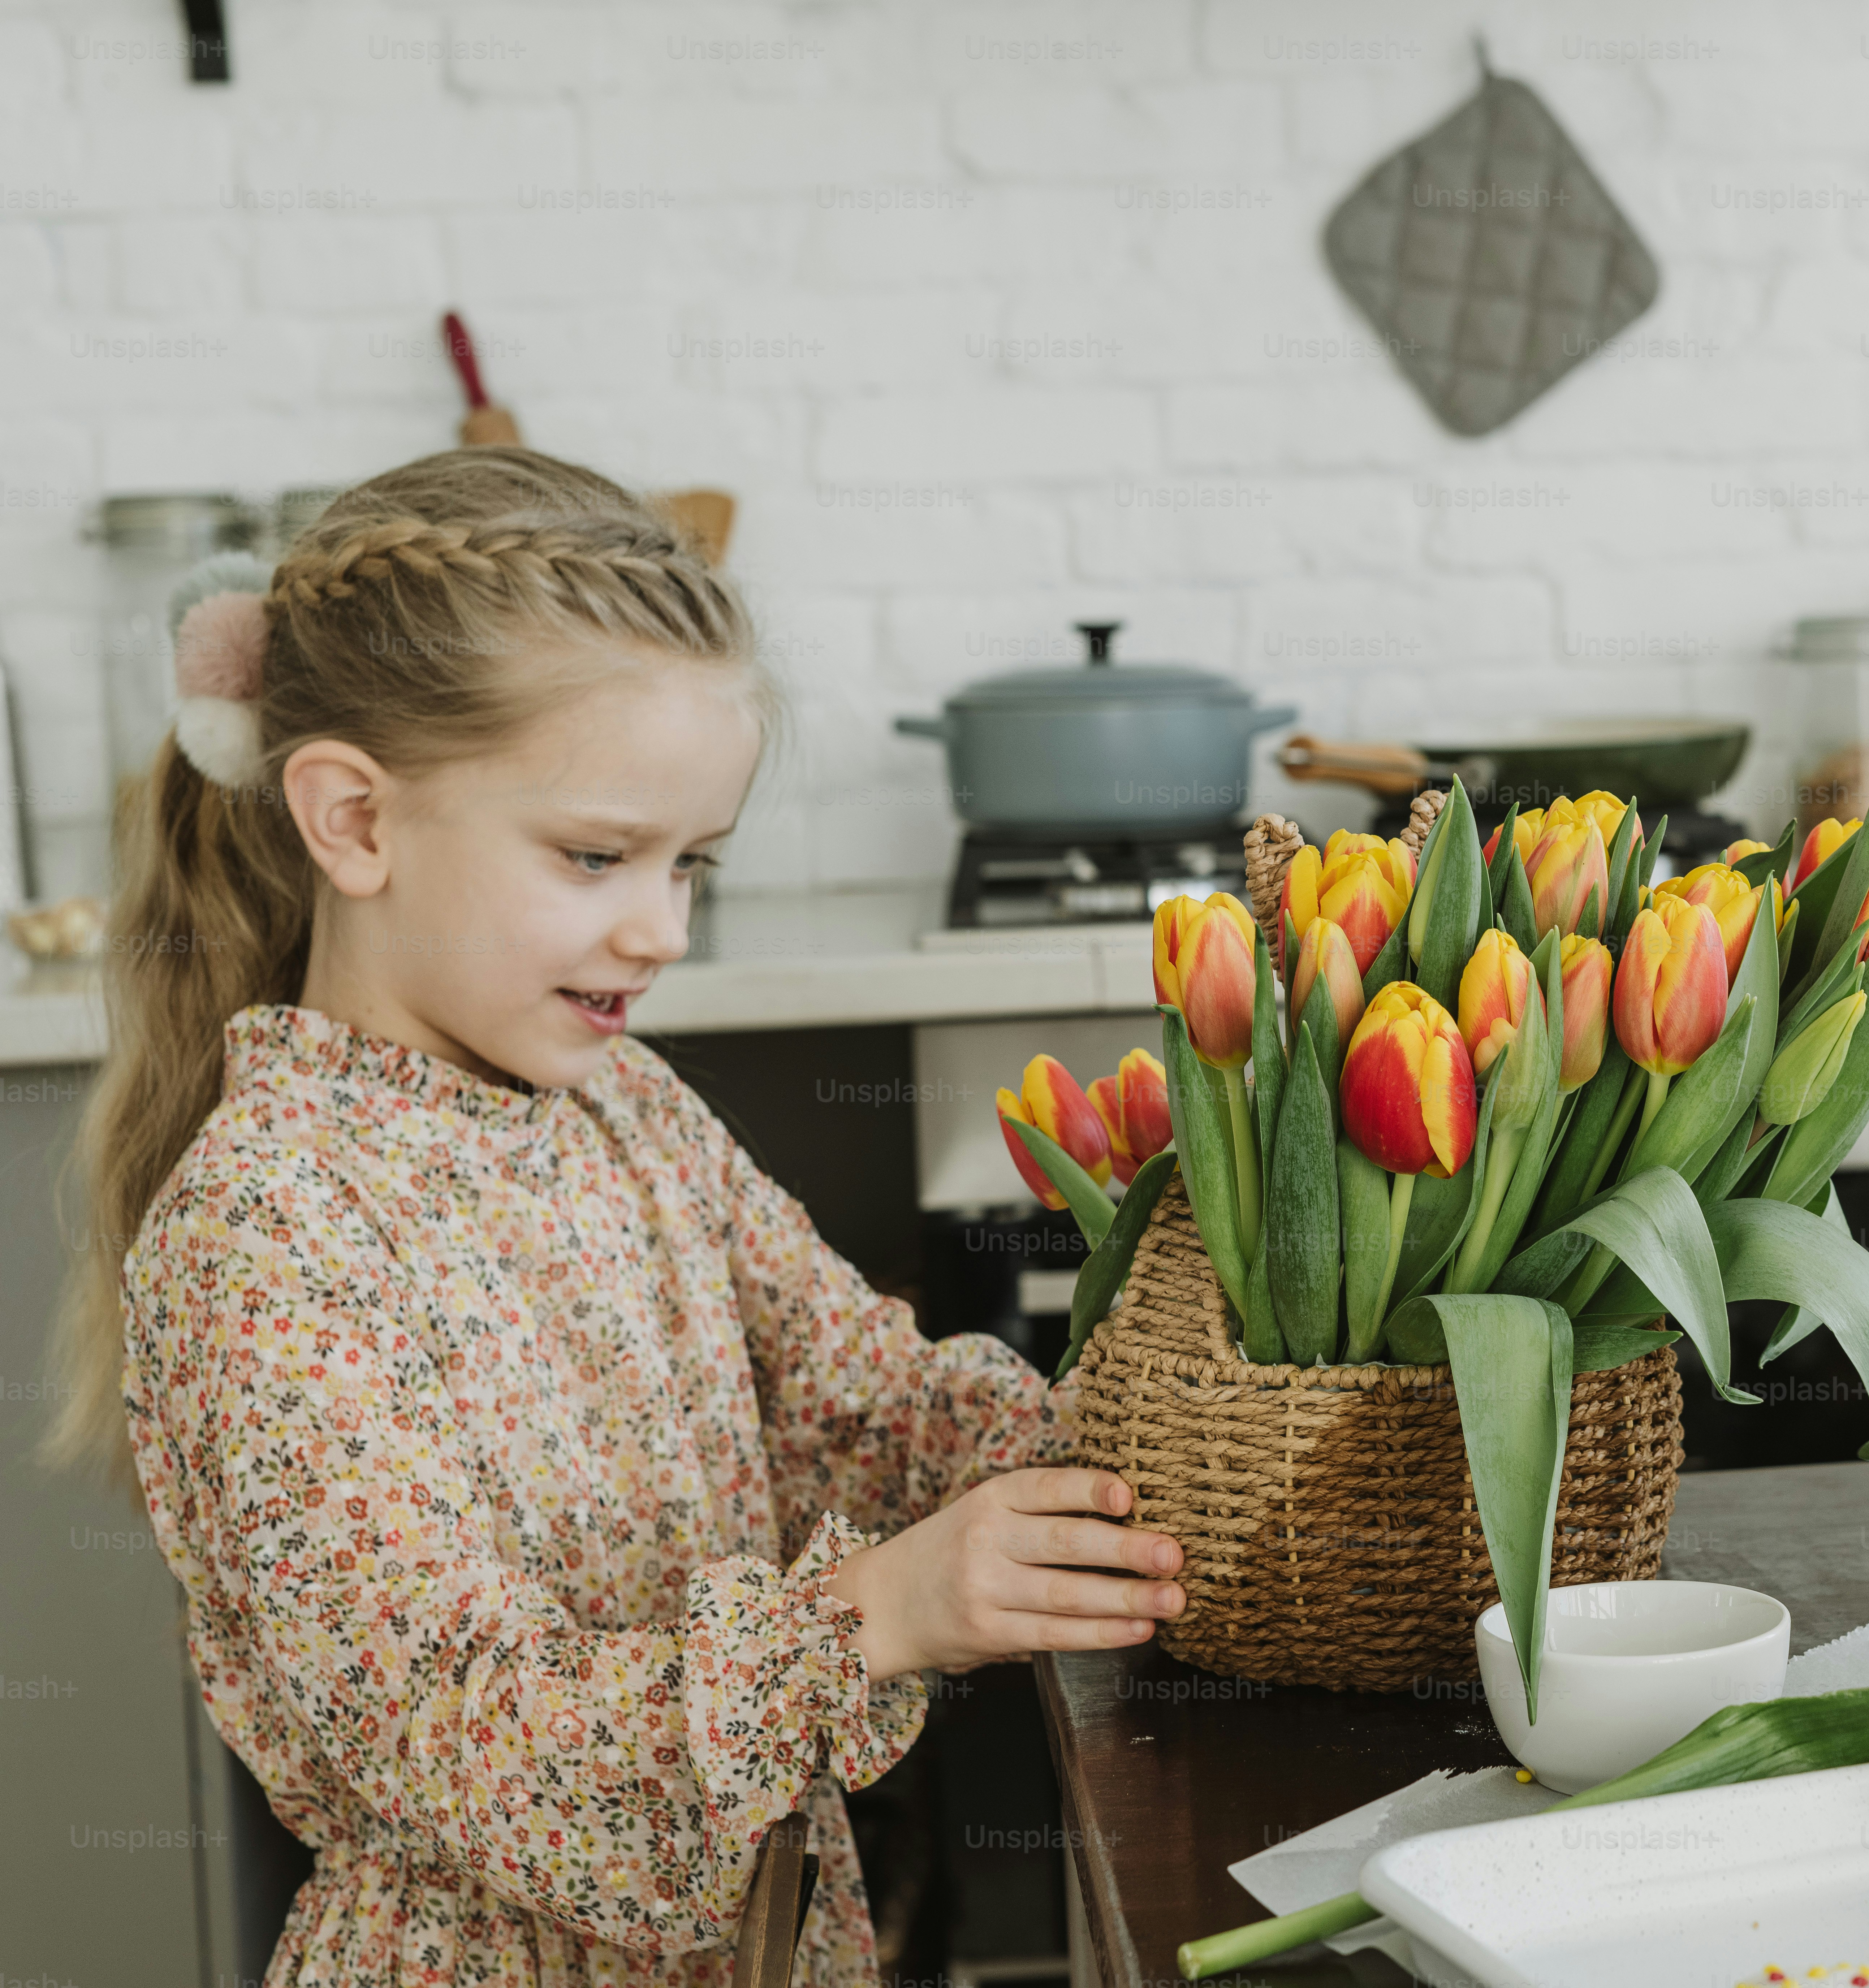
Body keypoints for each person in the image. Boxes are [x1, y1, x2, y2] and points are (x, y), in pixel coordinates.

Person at [49, 446, 1185, 1983]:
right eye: (597, 855)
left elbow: (861, 1394)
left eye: (691, 862)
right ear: (355, 823)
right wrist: (881, 1614)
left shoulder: (625, 1107)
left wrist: (1130, 1466)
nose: (663, 928)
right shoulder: (264, 1232)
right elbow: (478, 1745)